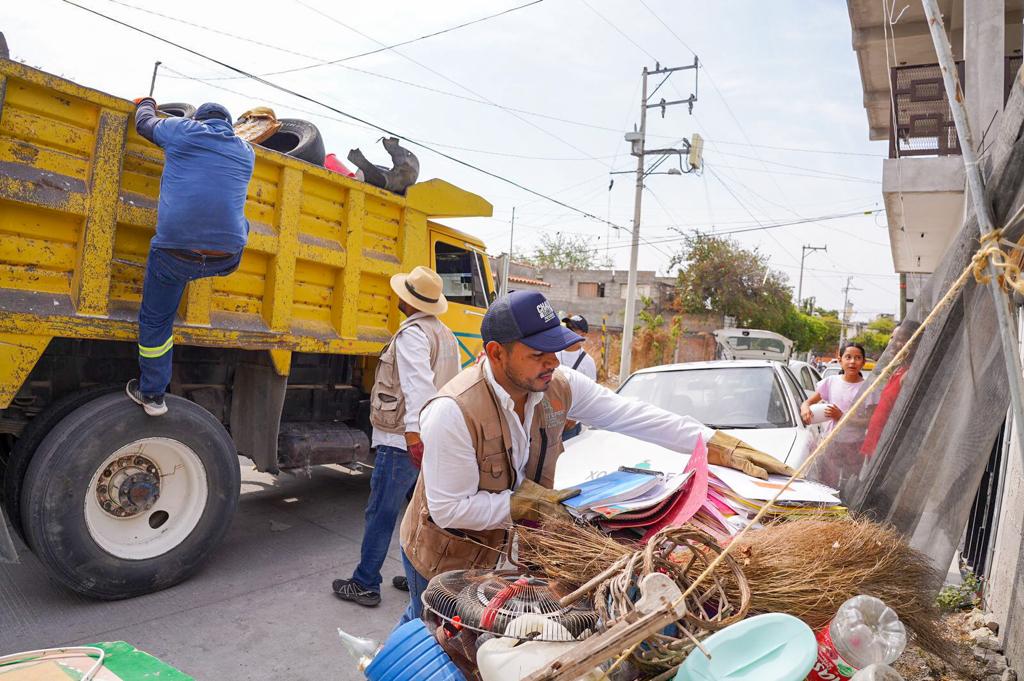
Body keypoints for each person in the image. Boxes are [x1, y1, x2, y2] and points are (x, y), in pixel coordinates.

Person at [395, 290, 795, 625]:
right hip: (446, 557)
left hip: (510, 554)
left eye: (556, 351)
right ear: (496, 353)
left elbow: (633, 415)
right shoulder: (452, 411)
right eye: (538, 354)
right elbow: (449, 510)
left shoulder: (556, 385)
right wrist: (523, 505)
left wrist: (717, 444)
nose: (552, 362)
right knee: (432, 636)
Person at [332, 266, 460, 608]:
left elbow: (419, 388)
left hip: (403, 441)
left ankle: (365, 583)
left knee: (382, 513)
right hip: (431, 438)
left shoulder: (413, 335)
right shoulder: (445, 334)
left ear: (407, 300)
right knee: (420, 515)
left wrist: (414, 437)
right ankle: (422, 577)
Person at [125, 99, 255, 416]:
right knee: (241, 221)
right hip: (225, 258)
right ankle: (197, 265)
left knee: (156, 321)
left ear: (197, 119)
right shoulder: (246, 152)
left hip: (175, 252)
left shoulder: (182, 130)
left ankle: (153, 395)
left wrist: (147, 103)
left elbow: (144, 123)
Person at [800, 342, 869, 487]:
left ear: (864, 362)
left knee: (850, 484)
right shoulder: (830, 382)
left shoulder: (868, 388)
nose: (852, 362)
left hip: (855, 445)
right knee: (827, 483)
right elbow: (807, 403)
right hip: (831, 442)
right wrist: (805, 409)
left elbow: (869, 421)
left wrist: (842, 417)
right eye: (848, 357)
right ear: (840, 360)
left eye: (857, 358)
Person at [860, 321, 921, 458]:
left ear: (914, 343)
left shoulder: (909, 374)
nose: (892, 344)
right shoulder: (898, 370)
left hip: (886, 449)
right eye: (891, 338)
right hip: (875, 443)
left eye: (898, 339)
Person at [555, 314, 597, 441]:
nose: (568, 330)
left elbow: (590, 396)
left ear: (583, 335)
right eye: (567, 327)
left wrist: (574, 419)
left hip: (569, 427)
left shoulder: (588, 362)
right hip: (549, 421)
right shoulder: (553, 353)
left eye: (573, 329)